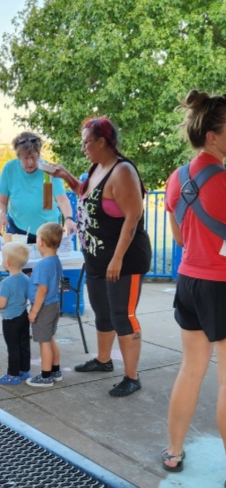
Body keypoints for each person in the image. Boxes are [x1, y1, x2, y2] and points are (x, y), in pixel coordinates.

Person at [52, 116, 152, 397]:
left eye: (86, 142)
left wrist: (117, 258)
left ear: (102, 142)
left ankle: (132, 377)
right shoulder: (97, 166)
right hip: (97, 258)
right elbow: (85, 194)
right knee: (102, 312)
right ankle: (103, 360)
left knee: (123, 315)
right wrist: (67, 176)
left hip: (124, 260)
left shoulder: (122, 172)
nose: (84, 147)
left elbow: (133, 216)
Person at [162, 90, 226, 476]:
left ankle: (173, 451)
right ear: (213, 136)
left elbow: (181, 239)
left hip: (188, 280)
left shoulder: (176, 178)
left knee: (191, 369)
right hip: (220, 285)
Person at [0, 132, 77, 243]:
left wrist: (69, 219)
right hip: (18, 229)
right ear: (18, 157)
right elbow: (1, 202)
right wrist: (1, 214)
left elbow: (62, 200)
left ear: (39, 154)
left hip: (48, 229)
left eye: (34, 157)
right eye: (26, 158)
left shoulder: (48, 170)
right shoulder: (9, 169)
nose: (30, 162)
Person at [26, 222, 63, 387]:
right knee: (50, 337)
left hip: (44, 306)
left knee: (44, 342)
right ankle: (56, 370)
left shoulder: (42, 264)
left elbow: (42, 290)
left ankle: (45, 375)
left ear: (40, 242)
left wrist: (34, 311)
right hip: (53, 304)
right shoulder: (55, 260)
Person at [0, 242, 31, 385]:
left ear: (7, 263)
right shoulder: (26, 278)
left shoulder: (6, 283)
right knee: (24, 344)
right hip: (23, 316)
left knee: (13, 347)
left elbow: (2, 303)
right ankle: (24, 370)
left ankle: (12, 375)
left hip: (10, 320)